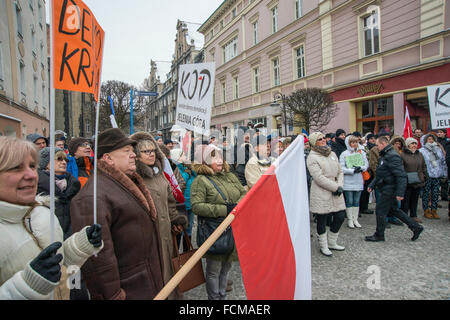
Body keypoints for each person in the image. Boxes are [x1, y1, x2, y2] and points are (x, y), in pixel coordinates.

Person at [0, 137, 102, 300]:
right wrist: (28, 285)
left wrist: (80, 245)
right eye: (16, 168)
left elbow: (58, 263)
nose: (31, 175)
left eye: (32, 166)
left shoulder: (42, 213)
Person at [70, 128, 164, 300]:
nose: (133, 155)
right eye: (126, 151)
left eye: (132, 151)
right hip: (130, 289)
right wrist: (112, 295)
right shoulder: (93, 196)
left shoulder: (124, 183)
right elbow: (97, 259)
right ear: (107, 158)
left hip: (146, 283)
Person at [130, 132, 187, 300]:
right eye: (146, 151)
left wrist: (175, 219)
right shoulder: (135, 179)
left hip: (166, 234)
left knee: (169, 273)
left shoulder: (159, 173)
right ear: (137, 156)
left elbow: (170, 200)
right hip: (149, 237)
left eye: (153, 150)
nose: (151, 154)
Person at [191, 144, 246, 300]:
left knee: (227, 266)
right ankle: (214, 298)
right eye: (214, 157)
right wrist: (224, 210)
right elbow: (196, 206)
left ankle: (223, 296)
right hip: (213, 230)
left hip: (233, 228)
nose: (220, 161)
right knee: (214, 270)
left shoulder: (229, 175)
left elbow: (243, 192)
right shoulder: (200, 181)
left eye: (220, 157)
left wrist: (236, 207)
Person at [366, 136, 424, 242]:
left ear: (383, 144)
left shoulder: (393, 156)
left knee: (380, 210)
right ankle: (416, 227)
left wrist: (400, 192)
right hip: (385, 186)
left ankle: (379, 234)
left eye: (378, 145)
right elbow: (381, 173)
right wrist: (372, 184)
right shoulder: (384, 155)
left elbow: (401, 175)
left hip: (390, 188)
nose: (377, 147)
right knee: (394, 210)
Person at [307, 132, 346, 257]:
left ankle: (332, 242)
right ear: (314, 142)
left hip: (336, 190)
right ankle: (323, 245)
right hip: (321, 191)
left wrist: (339, 185)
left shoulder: (332, 153)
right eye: (320, 139)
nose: (323, 140)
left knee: (340, 216)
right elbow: (318, 177)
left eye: (324, 138)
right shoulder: (312, 157)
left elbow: (340, 171)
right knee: (322, 219)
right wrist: (335, 187)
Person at [37, 147, 81, 240]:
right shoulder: (37, 186)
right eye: (59, 159)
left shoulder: (74, 185)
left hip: (72, 238)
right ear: (46, 164)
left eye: (65, 160)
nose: (64, 162)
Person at [339, 135, 368, 228]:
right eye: (352, 142)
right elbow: (341, 168)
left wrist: (361, 168)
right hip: (348, 180)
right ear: (348, 143)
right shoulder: (344, 154)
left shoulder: (361, 152)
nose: (355, 144)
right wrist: (351, 170)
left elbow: (366, 164)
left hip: (358, 179)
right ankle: (350, 220)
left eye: (356, 142)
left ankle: (355, 219)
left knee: (356, 200)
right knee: (349, 200)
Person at [419, 133, 447, 219]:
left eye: (432, 139)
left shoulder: (438, 149)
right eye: (429, 139)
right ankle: (426, 210)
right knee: (426, 193)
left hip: (437, 175)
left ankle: (434, 210)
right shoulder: (422, 151)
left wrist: (444, 173)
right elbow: (421, 164)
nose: (431, 141)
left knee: (435, 193)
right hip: (427, 175)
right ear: (426, 140)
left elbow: (442, 161)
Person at [400, 138, 427, 223]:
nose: (414, 145)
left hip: (418, 180)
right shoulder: (403, 155)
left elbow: (423, 166)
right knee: (406, 200)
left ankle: (413, 215)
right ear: (408, 145)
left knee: (415, 199)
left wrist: (424, 175)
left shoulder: (420, 154)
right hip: (407, 181)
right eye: (412, 144)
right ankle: (404, 216)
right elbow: (401, 168)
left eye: (415, 143)